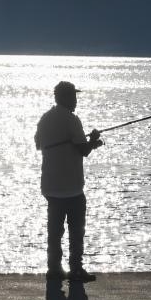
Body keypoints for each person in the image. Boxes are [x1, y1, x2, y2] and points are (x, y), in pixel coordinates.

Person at [34, 81, 103, 282]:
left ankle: (54, 268)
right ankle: (76, 269)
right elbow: (83, 150)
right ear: (64, 98)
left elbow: (38, 144)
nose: (75, 101)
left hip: (50, 185)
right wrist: (94, 140)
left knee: (54, 231)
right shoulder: (72, 120)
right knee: (76, 231)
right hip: (72, 188)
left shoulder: (45, 118)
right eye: (73, 97)